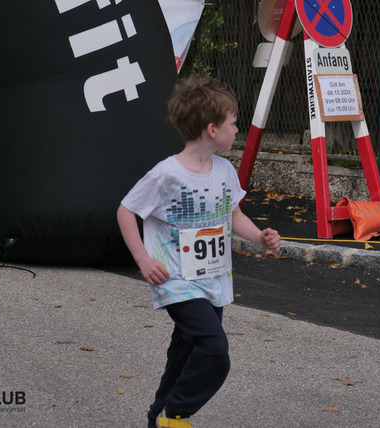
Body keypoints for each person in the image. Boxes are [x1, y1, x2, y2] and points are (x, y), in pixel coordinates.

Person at [117, 75, 281, 428]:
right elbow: (126, 211)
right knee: (214, 349)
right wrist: (143, 260)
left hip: (211, 279)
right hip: (176, 280)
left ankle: (158, 417)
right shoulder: (167, 175)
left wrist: (260, 237)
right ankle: (177, 414)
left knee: (185, 351)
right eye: (232, 122)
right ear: (211, 129)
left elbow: (233, 215)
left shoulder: (224, 170)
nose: (236, 129)